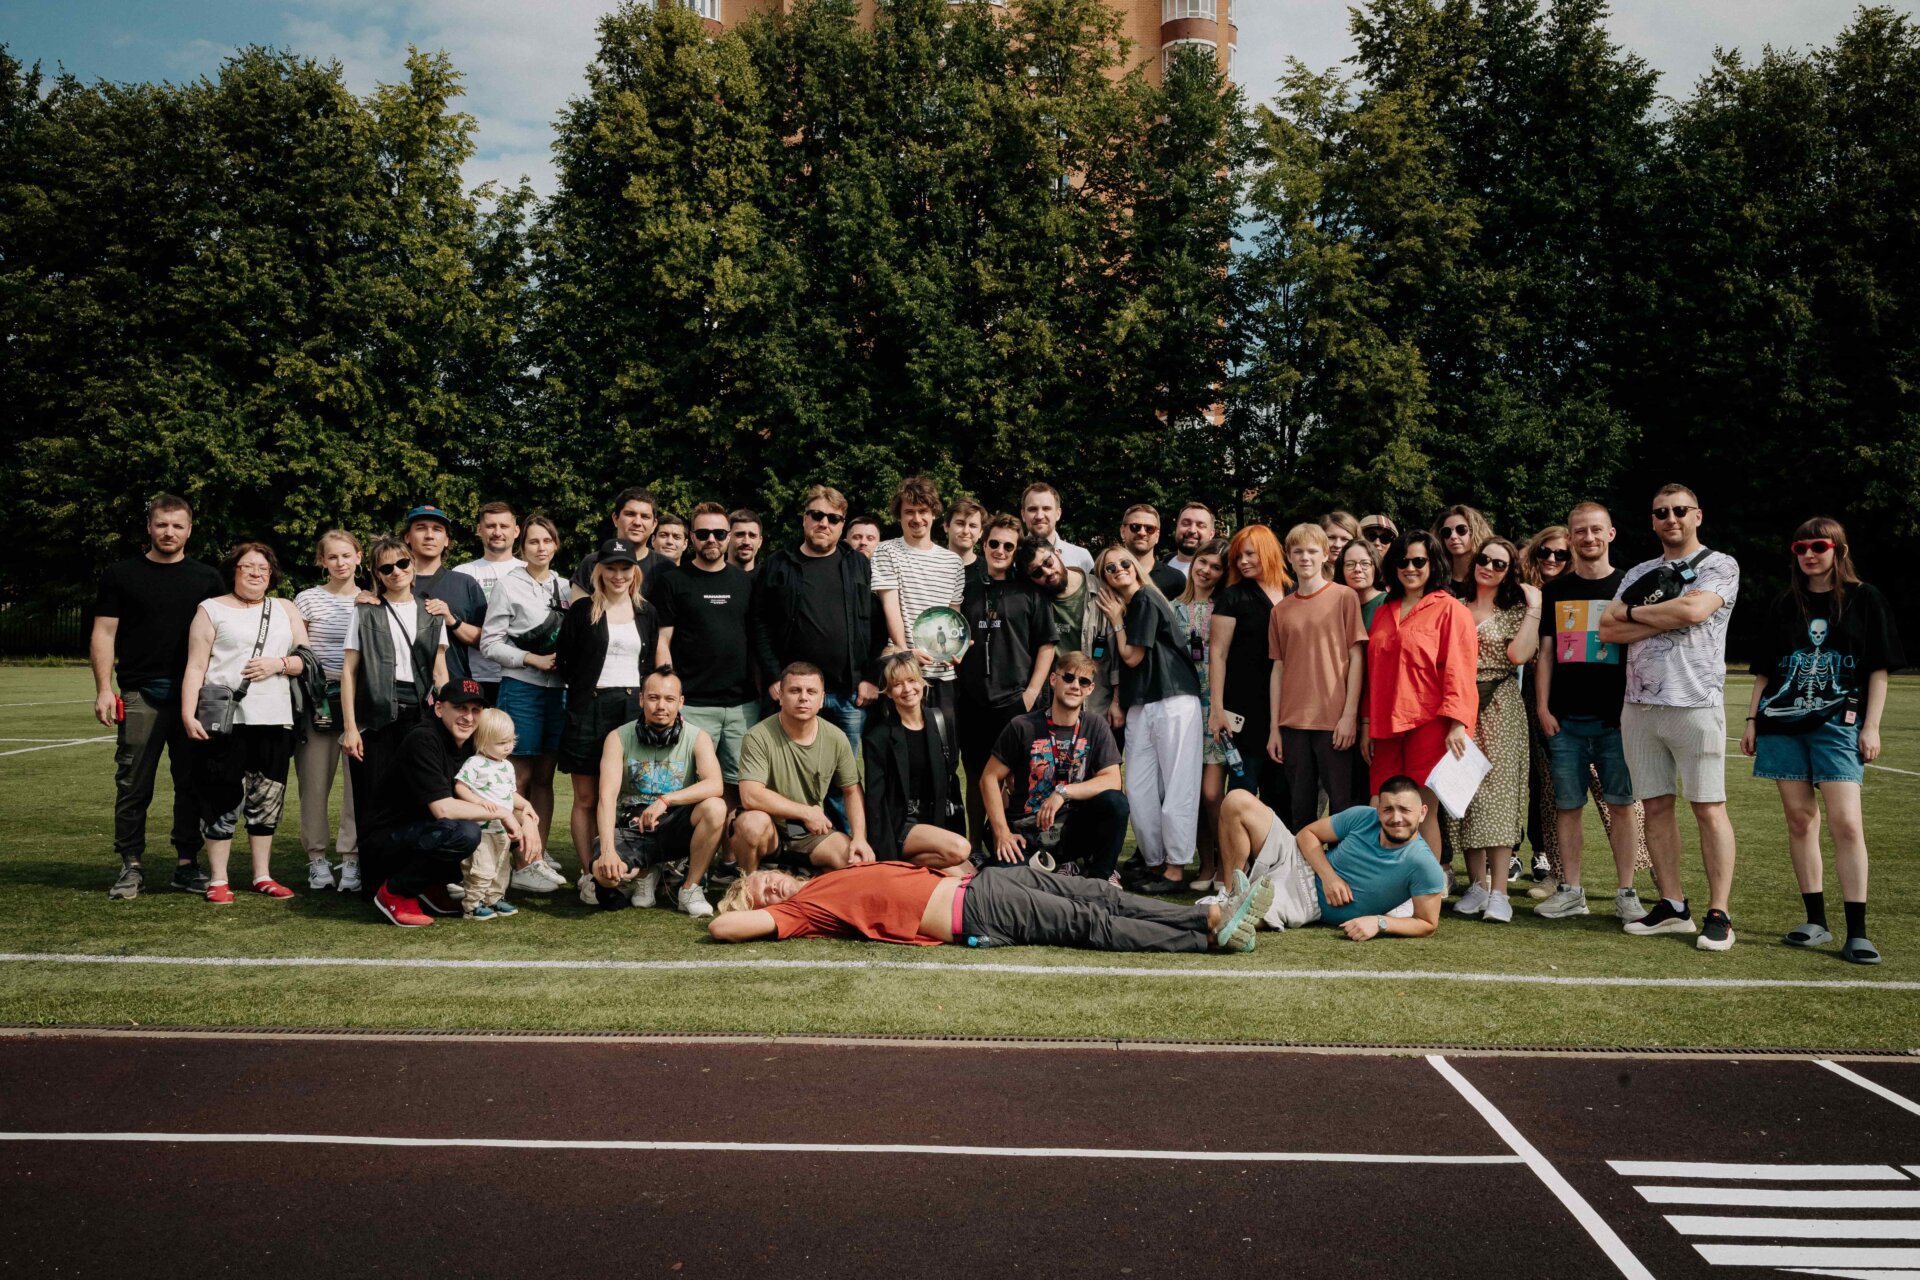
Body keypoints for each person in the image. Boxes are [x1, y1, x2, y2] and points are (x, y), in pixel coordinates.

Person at [1741, 518, 1901, 965]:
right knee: (1799, 820)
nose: (1809, 554)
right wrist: (1752, 720)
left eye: (1818, 546)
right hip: (1782, 722)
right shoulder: (1784, 604)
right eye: (1801, 548)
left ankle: (1858, 932)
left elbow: (1878, 669)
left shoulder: (1865, 599)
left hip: (1839, 724)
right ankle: (1816, 921)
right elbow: (1766, 671)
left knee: (1846, 823)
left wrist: (1871, 726)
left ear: (1839, 550)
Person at [1599, 484, 1741, 951]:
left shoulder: (1720, 564)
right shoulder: (1640, 571)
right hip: (1639, 705)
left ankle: (1719, 913)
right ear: (1653, 520)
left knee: (1708, 807)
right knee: (1655, 806)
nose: (1671, 518)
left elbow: (1697, 609)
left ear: (1697, 515)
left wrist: (1639, 614)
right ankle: (1673, 905)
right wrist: (1667, 613)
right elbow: (1609, 628)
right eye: (1661, 512)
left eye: (1680, 510)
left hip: (1695, 702)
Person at [709, 856, 1272, 954]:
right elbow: (724, 929)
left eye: (769, 879)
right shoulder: (802, 912)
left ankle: (1211, 916)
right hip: (974, 914)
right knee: (1089, 923)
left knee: (1099, 892)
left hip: (982, 884)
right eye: (762, 893)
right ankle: (1206, 934)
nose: (773, 888)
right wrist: (740, 903)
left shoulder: (822, 879)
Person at [94, 495, 226, 900]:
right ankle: (131, 864)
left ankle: (187, 864)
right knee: (133, 784)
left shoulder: (208, 578)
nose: (169, 532)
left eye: (177, 525)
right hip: (140, 694)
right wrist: (104, 689)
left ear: (189, 530)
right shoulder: (121, 574)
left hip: (194, 698)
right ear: (149, 527)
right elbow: (104, 633)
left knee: (192, 784)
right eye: (162, 524)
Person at [1530, 505, 1650, 922]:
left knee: (1622, 805)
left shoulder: (1629, 585)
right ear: (1570, 537)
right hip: (1564, 721)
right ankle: (1571, 891)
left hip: (1617, 721)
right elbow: (1546, 654)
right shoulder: (1556, 590)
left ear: (1611, 534)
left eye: (1596, 529)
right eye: (1580, 531)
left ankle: (1626, 892)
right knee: (1568, 806)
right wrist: (1543, 707)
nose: (1588, 537)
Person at [179, 542, 311, 903]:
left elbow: (306, 659)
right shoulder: (210, 609)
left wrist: (278, 664)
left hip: (276, 718)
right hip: (225, 720)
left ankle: (262, 875)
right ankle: (218, 879)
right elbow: (196, 665)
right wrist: (188, 713)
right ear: (233, 570)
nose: (255, 573)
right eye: (247, 566)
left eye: (263, 568)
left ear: (272, 574)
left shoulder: (285, 608)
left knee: (267, 798)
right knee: (220, 796)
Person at [358, 679, 540, 927]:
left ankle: (430, 886)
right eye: (460, 708)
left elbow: (499, 794)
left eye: (475, 710)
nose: (468, 717)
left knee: (485, 831)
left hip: (422, 832)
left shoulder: (473, 743)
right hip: (387, 843)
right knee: (465, 833)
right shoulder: (423, 739)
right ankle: (397, 891)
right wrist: (503, 813)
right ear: (439, 708)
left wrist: (527, 817)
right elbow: (443, 809)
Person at [746, 485, 884, 790]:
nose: (824, 523)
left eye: (833, 518)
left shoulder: (858, 564)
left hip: (847, 693)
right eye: (817, 515)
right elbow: (759, 623)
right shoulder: (779, 563)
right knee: (787, 779)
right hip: (793, 693)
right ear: (804, 518)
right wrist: (773, 676)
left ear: (842, 525)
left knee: (842, 782)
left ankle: (840, 825)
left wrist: (871, 677)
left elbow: (877, 624)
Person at [340, 536, 451, 884]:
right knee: (373, 798)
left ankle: (413, 880)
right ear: (377, 573)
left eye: (402, 564)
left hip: (419, 715)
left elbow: (440, 673)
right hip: (375, 716)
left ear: (413, 566)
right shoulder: (365, 611)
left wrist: (447, 722)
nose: (396, 572)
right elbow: (349, 671)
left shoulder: (432, 612)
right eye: (386, 567)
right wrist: (350, 727)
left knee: (419, 797)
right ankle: (375, 883)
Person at [1094, 543, 1204, 893]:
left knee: (1177, 786)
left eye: (1124, 563)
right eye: (1110, 568)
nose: (1119, 570)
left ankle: (1175, 869)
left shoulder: (1144, 598)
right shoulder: (1129, 607)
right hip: (1141, 703)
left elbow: (1132, 657)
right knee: (1139, 790)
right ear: (1104, 579)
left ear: (1135, 566)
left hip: (1173, 697)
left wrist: (1115, 621)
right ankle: (1155, 863)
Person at [1444, 536, 1540, 924]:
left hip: (1500, 704)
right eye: (1484, 559)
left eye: (1500, 564)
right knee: (1462, 794)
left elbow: (1519, 655)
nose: (1489, 567)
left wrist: (1534, 607)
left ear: (1509, 572)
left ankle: (1500, 891)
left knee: (1498, 797)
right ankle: (1477, 885)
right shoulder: (1454, 606)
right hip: (1459, 706)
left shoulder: (1515, 611)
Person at [1364, 530, 1477, 859]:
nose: (1410, 568)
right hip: (1385, 725)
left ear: (1433, 564)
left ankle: (1430, 880)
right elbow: (1373, 672)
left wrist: (1457, 723)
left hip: (1430, 723)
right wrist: (1366, 724)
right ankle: (1385, 877)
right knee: (1381, 804)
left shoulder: (1450, 609)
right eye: (1402, 561)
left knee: (1421, 809)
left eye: (1418, 561)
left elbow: (1460, 669)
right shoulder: (1384, 611)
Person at [1218, 777, 1445, 939]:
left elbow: (1427, 923)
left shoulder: (1423, 864)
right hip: (1295, 856)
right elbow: (1307, 834)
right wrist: (1329, 877)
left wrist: (1379, 922)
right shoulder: (1363, 817)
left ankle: (1232, 906)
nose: (1396, 818)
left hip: (1304, 901)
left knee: (1223, 918)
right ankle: (1229, 891)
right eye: (1388, 810)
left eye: (1405, 810)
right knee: (1236, 800)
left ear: (1422, 812)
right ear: (1378, 810)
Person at [556, 538, 656, 904]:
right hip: (590, 706)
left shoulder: (646, 611)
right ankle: (589, 873)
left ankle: (631, 868)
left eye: (624, 568)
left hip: (632, 709)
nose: (618, 575)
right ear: (599, 571)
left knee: (630, 793)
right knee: (587, 796)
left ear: (634, 572)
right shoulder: (583, 611)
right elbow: (564, 661)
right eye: (610, 568)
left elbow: (649, 663)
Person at [479, 513, 572, 889]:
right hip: (521, 688)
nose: (540, 548)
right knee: (518, 778)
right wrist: (531, 659)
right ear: (523, 547)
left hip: (558, 691)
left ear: (556, 545)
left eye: (547, 541)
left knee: (545, 779)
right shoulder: (508, 585)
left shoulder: (567, 586)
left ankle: (537, 855)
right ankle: (516, 859)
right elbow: (489, 643)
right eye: (533, 541)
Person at [590, 665, 727, 918]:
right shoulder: (617, 738)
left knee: (716, 807)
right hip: (633, 828)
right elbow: (606, 798)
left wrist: (666, 800)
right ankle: (645, 871)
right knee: (604, 875)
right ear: (641, 699)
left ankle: (690, 888)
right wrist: (608, 851)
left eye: (669, 699)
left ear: (681, 702)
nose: (661, 706)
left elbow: (715, 784)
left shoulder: (698, 737)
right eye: (653, 698)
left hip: (675, 823)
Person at [954, 515, 1059, 839]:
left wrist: (1031, 694)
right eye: (995, 543)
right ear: (984, 545)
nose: (1000, 550)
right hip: (972, 700)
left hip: (1015, 700)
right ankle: (975, 846)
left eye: (1008, 546)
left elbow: (1047, 645)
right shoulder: (965, 588)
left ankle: (1013, 844)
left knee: (1015, 778)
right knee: (975, 776)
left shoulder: (1030, 591)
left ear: (1016, 551)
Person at [655, 502, 760, 806]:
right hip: (693, 705)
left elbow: (757, 640)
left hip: (742, 707)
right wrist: (670, 695)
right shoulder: (673, 581)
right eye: (703, 533)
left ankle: (730, 841)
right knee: (686, 786)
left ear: (728, 536)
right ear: (692, 537)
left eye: (719, 533)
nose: (711, 539)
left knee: (740, 786)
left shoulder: (746, 582)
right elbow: (663, 641)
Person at [1266, 524, 1368, 838]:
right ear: (1289, 557)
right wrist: (1274, 728)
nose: (1305, 558)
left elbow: (1357, 658)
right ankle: (1303, 867)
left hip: (1333, 720)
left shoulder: (1344, 597)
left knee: (1342, 807)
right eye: (1298, 552)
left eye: (1312, 551)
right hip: (1293, 723)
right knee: (1300, 809)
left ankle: (1341, 866)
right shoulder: (1281, 610)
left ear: (1325, 555)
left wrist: (1349, 716)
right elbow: (1278, 669)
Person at [731, 663, 874, 873]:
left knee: (856, 861)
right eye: (795, 690)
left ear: (822, 699)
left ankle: (808, 881)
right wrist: (806, 812)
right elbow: (750, 796)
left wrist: (859, 837)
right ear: (781, 696)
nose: (803, 698)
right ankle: (748, 884)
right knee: (751, 824)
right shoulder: (758, 736)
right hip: (769, 830)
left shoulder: (836, 738)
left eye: (811, 692)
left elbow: (851, 790)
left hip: (809, 832)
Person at [292, 530, 364, 891]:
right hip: (318, 698)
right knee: (314, 783)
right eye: (332, 556)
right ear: (322, 561)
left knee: (358, 785)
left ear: (359, 557)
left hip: (360, 699)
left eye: (346, 555)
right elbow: (300, 651)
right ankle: (317, 859)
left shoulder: (371, 598)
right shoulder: (307, 599)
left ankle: (351, 859)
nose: (340, 563)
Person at [1208, 524, 1292, 809]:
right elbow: (1217, 654)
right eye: (1238, 557)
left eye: (1249, 554)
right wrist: (1217, 709)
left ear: (1268, 552)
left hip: (1287, 707)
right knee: (1242, 788)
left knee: (1281, 792)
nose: (1243, 562)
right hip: (1243, 709)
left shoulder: (1294, 591)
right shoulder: (1233, 596)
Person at [871, 476, 967, 723]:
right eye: (909, 512)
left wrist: (958, 647)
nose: (917, 518)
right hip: (902, 673)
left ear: (934, 513)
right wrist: (906, 653)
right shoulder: (886, 551)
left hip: (943, 674)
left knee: (944, 743)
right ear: (899, 516)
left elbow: (953, 617)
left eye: (923, 511)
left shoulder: (953, 562)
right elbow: (891, 608)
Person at [862, 655, 970, 868]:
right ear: (888, 693)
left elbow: (950, 782)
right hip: (902, 824)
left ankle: (911, 868)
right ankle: (900, 865)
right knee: (959, 849)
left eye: (912, 680)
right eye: (897, 684)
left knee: (969, 876)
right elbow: (875, 801)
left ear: (922, 682)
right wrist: (885, 853)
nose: (907, 689)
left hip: (934, 822)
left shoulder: (940, 721)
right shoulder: (878, 738)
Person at [1017, 537, 1123, 741]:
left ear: (1057, 553)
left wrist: (1117, 702)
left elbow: (1117, 654)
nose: (1047, 572)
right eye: (1037, 572)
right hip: (1053, 708)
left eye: (1048, 562)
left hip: (1098, 705)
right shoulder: (1034, 602)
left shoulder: (1102, 591)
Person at [1171, 539, 1229, 893]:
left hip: (1217, 707)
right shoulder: (1173, 607)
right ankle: (1205, 864)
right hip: (1184, 707)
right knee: (1192, 792)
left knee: (1211, 793)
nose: (1206, 571)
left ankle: (1227, 863)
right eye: (1203, 562)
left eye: (1216, 567)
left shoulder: (1226, 606)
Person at [399, 505, 489, 686]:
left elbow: (487, 641)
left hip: (454, 688)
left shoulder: (465, 583)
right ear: (407, 537)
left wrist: (452, 621)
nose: (429, 535)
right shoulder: (393, 581)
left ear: (446, 540)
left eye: (437, 529)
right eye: (421, 528)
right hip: (403, 689)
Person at [453, 708, 526, 920]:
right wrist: (478, 802)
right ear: (483, 741)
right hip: (482, 829)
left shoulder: (507, 766)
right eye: (502, 743)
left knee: (501, 866)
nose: (509, 747)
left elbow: (510, 794)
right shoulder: (475, 763)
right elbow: (460, 787)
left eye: (511, 741)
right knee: (481, 867)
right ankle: (473, 904)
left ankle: (494, 898)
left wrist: (526, 806)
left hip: (502, 830)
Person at [452, 502, 525, 704]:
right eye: (491, 526)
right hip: (476, 676)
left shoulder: (529, 571)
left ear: (516, 531)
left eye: (504, 526)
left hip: (522, 676)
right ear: (479, 530)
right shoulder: (462, 573)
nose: (497, 532)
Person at [572, 487, 672, 600]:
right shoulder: (592, 563)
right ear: (615, 519)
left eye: (645, 517)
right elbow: (577, 609)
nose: (637, 522)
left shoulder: (666, 568)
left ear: (654, 524)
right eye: (630, 514)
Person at [1020, 481, 1094, 574]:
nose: (1039, 516)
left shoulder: (1081, 558)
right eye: (1032, 509)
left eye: (1046, 508)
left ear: (1058, 514)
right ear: (1023, 515)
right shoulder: (1010, 558)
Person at [1432, 505, 1496, 597]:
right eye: (1446, 532)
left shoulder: (1489, 577)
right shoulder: (1436, 580)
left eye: (1461, 529)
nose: (1453, 536)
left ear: (1475, 532)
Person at [1118, 503, 1180, 596]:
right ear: (1123, 531)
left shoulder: (1176, 580)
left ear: (1157, 535)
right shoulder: (1105, 574)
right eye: (1135, 527)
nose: (1142, 533)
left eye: (1150, 528)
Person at [1335, 537, 1388, 631]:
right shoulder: (1336, 605)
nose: (1357, 569)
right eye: (1350, 564)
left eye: (1365, 563)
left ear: (1376, 567)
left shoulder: (1387, 603)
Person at [1161, 502, 1218, 585]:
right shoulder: (1161, 565)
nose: (1192, 530)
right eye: (1186, 524)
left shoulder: (1220, 575)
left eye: (1200, 525)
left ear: (1211, 534)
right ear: (1177, 527)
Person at [945, 496, 987, 583]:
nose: (966, 531)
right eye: (960, 524)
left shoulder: (990, 571)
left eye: (973, 526)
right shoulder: (930, 567)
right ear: (946, 526)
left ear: (980, 532)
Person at [728, 508, 764, 576]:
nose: (746, 542)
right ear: (727, 538)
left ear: (760, 542)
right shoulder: (712, 578)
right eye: (740, 535)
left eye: (752, 536)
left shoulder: (768, 579)